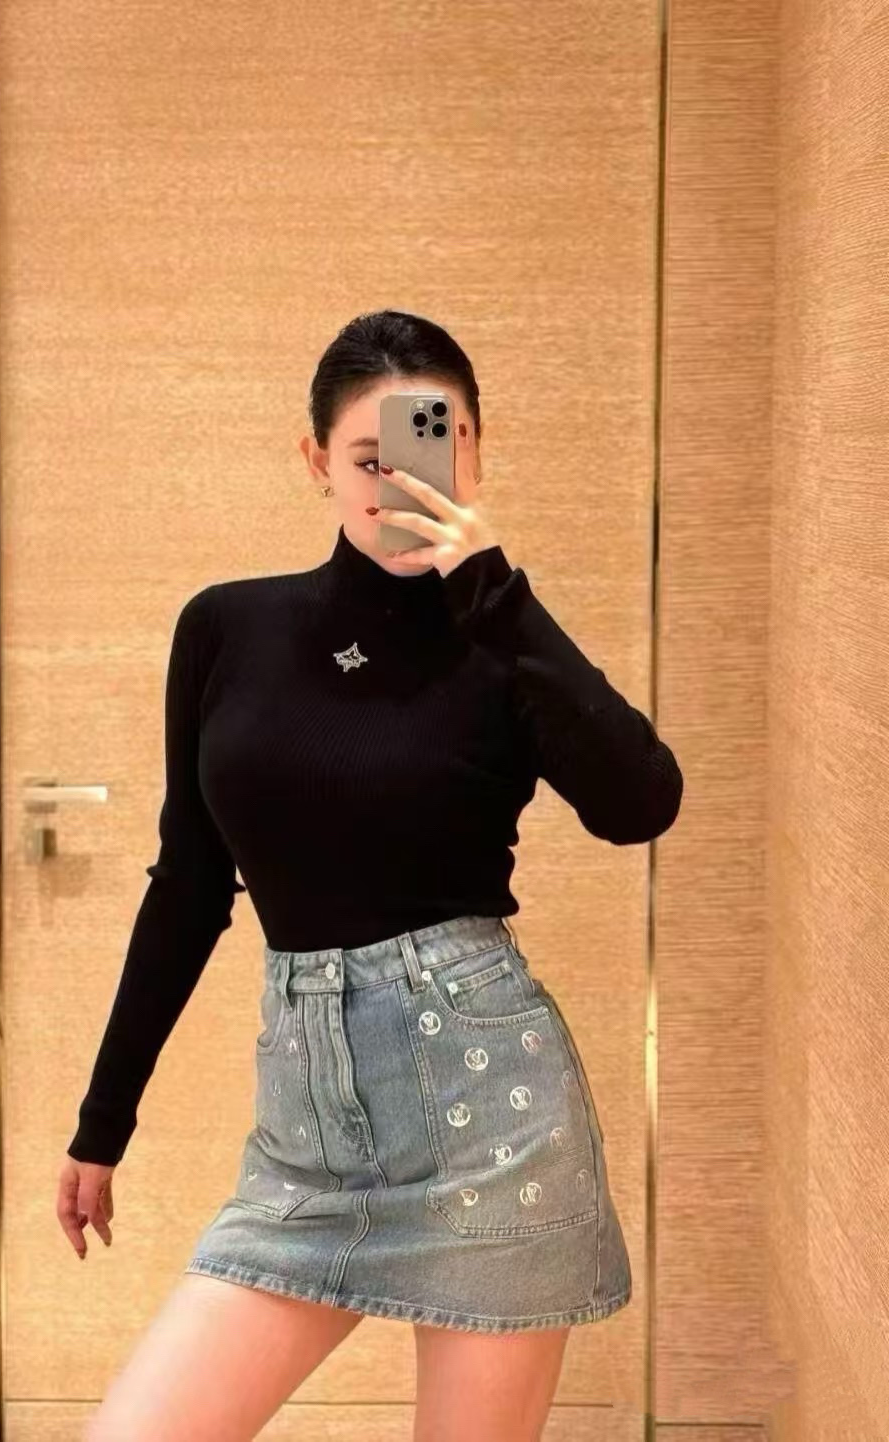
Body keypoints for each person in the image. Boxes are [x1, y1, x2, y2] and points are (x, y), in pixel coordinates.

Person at [58, 310, 684, 1442]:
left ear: (475, 448)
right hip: (305, 1136)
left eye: (434, 446)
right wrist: (103, 1121)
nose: (399, 483)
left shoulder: (501, 638)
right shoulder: (227, 628)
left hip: (492, 1116)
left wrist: (496, 591)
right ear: (316, 462)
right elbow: (191, 884)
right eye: (367, 459)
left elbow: (642, 801)